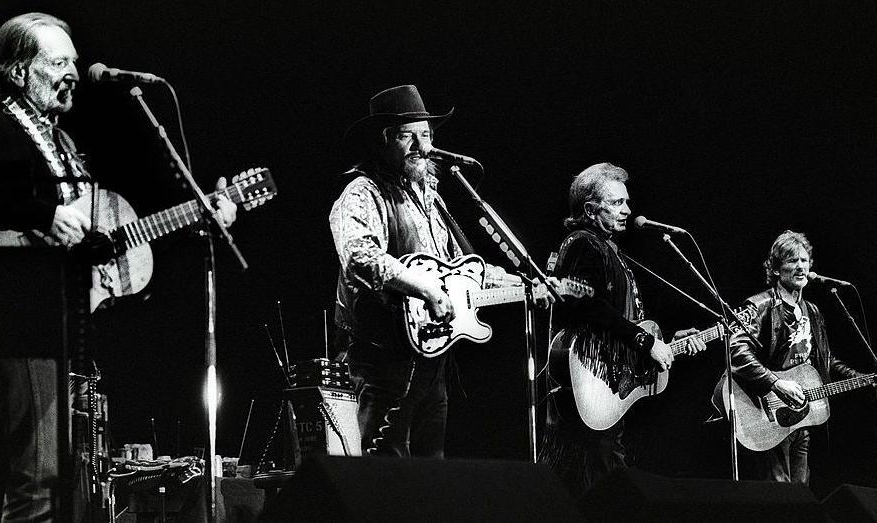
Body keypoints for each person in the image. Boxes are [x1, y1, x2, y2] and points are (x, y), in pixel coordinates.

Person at [0, 13, 235, 520]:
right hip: (16, 315)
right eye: (57, 62)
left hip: (45, 318)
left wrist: (200, 215)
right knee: (37, 479)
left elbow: (98, 233)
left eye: (74, 63)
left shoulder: (60, 143)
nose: (73, 74)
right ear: (18, 72)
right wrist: (42, 214)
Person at [330, 84, 551, 458]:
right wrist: (426, 290)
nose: (422, 146)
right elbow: (360, 256)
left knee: (432, 471)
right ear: (382, 141)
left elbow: (461, 268)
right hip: (382, 361)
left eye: (426, 135)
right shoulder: (362, 191)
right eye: (407, 136)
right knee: (382, 471)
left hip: (432, 359)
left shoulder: (431, 195)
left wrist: (525, 284)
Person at [538, 162, 704, 496]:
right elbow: (588, 304)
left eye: (626, 202)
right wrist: (646, 341)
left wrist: (669, 343)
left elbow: (619, 320)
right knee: (593, 487)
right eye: (616, 203)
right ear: (589, 209)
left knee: (601, 484)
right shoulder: (583, 243)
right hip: (590, 381)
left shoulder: (609, 249)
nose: (627, 210)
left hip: (607, 385)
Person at [727, 230, 862, 483]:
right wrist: (776, 383)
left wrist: (863, 377)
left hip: (800, 417)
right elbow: (736, 350)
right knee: (779, 495)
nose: (800, 266)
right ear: (777, 269)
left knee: (801, 495)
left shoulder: (812, 311)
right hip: (766, 413)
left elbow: (826, 360)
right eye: (792, 261)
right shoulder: (759, 306)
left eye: (804, 260)